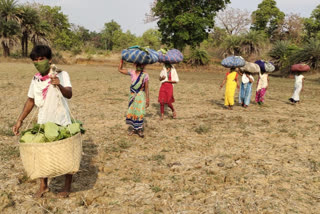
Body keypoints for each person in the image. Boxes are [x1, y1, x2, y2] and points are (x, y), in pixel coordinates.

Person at [12, 45, 73, 198]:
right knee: (42, 154)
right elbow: (31, 101)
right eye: (35, 60)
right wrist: (20, 120)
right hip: (43, 121)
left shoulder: (61, 74)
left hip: (61, 120)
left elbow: (69, 94)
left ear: (49, 59)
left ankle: (66, 187)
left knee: (65, 152)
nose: (39, 62)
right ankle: (43, 185)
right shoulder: (36, 79)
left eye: (42, 59)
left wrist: (58, 84)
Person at [118, 59, 149, 137]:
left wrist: (148, 99)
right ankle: (133, 129)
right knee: (132, 111)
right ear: (135, 65)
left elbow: (146, 88)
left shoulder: (145, 75)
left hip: (140, 95)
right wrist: (122, 61)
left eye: (141, 65)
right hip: (132, 95)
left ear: (143, 66)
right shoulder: (132, 72)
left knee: (139, 112)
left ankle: (139, 130)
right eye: (138, 65)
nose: (139, 66)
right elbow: (120, 70)